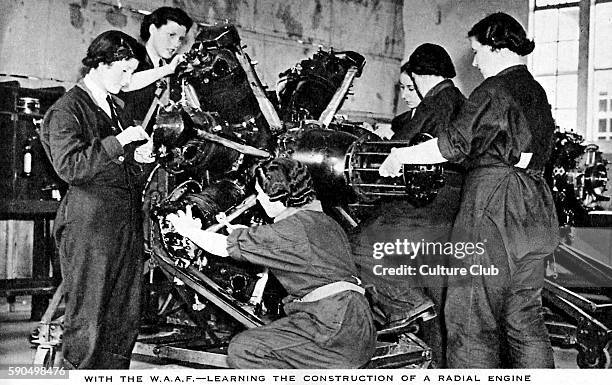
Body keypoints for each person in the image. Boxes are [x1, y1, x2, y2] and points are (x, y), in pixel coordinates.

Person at [380, 13, 559, 368]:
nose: (475, 62)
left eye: (479, 52)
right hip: (534, 205)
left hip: (494, 207)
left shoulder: (494, 90)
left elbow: (453, 145)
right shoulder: (535, 90)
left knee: (470, 315)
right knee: (524, 318)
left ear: (497, 46)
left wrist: (401, 156)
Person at [168, 158, 377, 368]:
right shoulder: (324, 221)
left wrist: (188, 231)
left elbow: (223, 247)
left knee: (245, 349)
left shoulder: (292, 230)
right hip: (358, 327)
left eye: (260, 193)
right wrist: (244, 234)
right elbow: (292, 248)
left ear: (277, 196)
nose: (258, 199)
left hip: (332, 331)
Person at [40, 30, 152, 369]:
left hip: (122, 223)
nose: (128, 79)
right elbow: (70, 166)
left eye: (132, 71)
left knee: (123, 316)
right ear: (100, 64)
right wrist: (119, 143)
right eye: (122, 70)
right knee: (88, 317)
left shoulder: (115, 107)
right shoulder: (67, 109)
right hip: (89, 226)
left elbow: (118, 169)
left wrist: (140, 159)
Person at [350, 43, 465, 367]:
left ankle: (406, 305)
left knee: (355, 245)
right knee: (439, 305)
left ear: (419, 74)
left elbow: (400, 151)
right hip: (449, 213)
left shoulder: (436, 104)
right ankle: (437, 362)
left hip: (422, 213)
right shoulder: (458, 102)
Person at [119, 6, 193, 130]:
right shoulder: (131, 58)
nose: (176, 44)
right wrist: (168, 69)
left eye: (180, 39)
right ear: (153, 29)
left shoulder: (173, 67)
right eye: (171, 35)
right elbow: (124, 84)